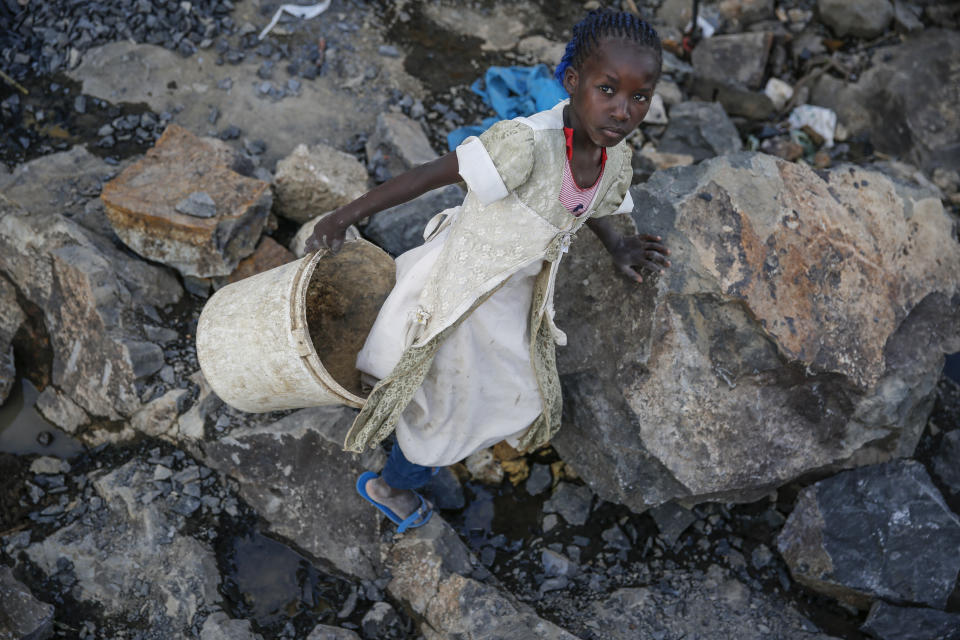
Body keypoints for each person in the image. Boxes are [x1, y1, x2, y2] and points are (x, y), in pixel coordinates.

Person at [305, 9, 671, 532]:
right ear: (572, 82)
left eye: (638, 97)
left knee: (475, 390)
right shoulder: (525, 144)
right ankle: (392, 485)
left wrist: (618, 245)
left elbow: (594, 208)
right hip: (461, 286)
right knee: (447, 402)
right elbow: (436, 173)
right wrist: (345, 215)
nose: (622, 110)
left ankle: (405, 433)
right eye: (607, 89)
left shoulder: (614, 158)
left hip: (510, 301)